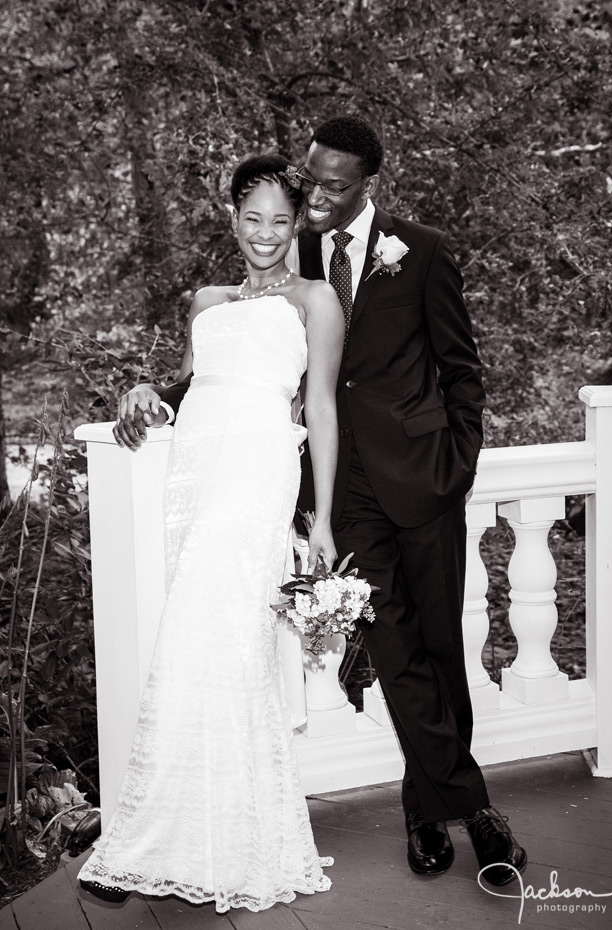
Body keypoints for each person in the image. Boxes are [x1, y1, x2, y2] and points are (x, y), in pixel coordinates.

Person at [116, 117, 527, 889]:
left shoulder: (423, 249)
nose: (316, 201)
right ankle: (462, 814)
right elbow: (236, 355)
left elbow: (461, 369)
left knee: (441, 647)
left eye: (335, 187)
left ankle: (433, 799)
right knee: (400, 653)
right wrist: (158, 392)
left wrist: (456, 464)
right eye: (314, 181)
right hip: (342, 491)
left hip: (424, 477)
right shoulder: (289, 251)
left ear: (368, 182)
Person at [78, 154, 344, 912]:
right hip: (193, 474)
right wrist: (145, 390)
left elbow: (320, 407)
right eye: (252, 218)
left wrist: (322, 518)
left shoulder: (315, 301)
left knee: (219, 637)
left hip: (257, 475)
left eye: (281, 221)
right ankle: (184, 834)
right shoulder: (206, 299)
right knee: (199, 642)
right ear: (232, 218)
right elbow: (191, 381)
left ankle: (190, 842)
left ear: (297, 227)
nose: (265, 234)